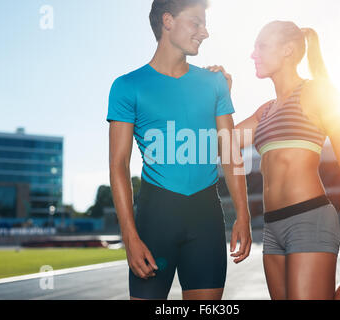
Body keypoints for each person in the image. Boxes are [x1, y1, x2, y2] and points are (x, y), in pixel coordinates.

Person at [207, 21, 340, 300]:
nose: (253, 54)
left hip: (309, 217)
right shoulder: (265, 111)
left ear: (288, 50)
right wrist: (221, 96)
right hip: (272, 227)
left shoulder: (317, 93)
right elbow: (223, 143)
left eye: (261, 45)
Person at [107, 0, 252, 300]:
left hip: (206, 219)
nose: (205, 33)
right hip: (154, 219)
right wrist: (130, 238)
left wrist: (243, 215)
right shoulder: (127, 86)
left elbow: (230, 153)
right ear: (168, 21)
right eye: (196, 22)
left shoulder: (214, 83)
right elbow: (119, 165)